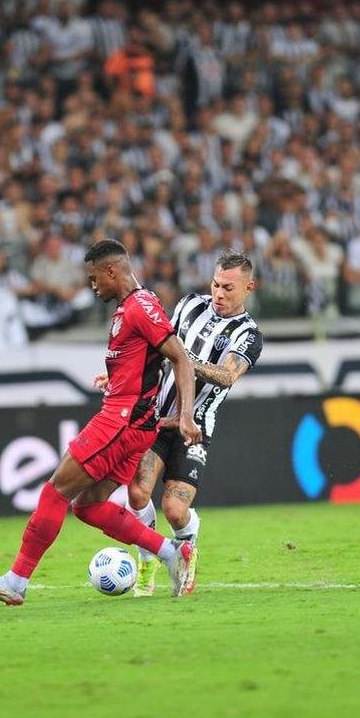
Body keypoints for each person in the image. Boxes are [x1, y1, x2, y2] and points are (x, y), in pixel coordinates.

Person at [0, 239, 202, 605]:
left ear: (112, 271)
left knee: (54, 490)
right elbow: (148, 362)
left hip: (121, 421)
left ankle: (16, 581)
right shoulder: (132, 307)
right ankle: (171, 553)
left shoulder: (139, 307)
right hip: (132, 422)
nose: (92, 286)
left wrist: (185, 415)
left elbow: (181, 359)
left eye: (94, 278)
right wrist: (119, 379)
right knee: (87, 506)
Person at [115, 250, 263, 596]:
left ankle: (187, 550)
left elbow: (226, 376)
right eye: (215, 284)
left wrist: (183, 359)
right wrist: (120, 377)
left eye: (228, 287)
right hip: (157, 416)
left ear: (249, 287)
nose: (219, 293)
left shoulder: (249, 334)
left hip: (194, 428)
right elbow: (155, 349)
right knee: (137, 491)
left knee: (174, 508)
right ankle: (148, 557)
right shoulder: (188, 306)